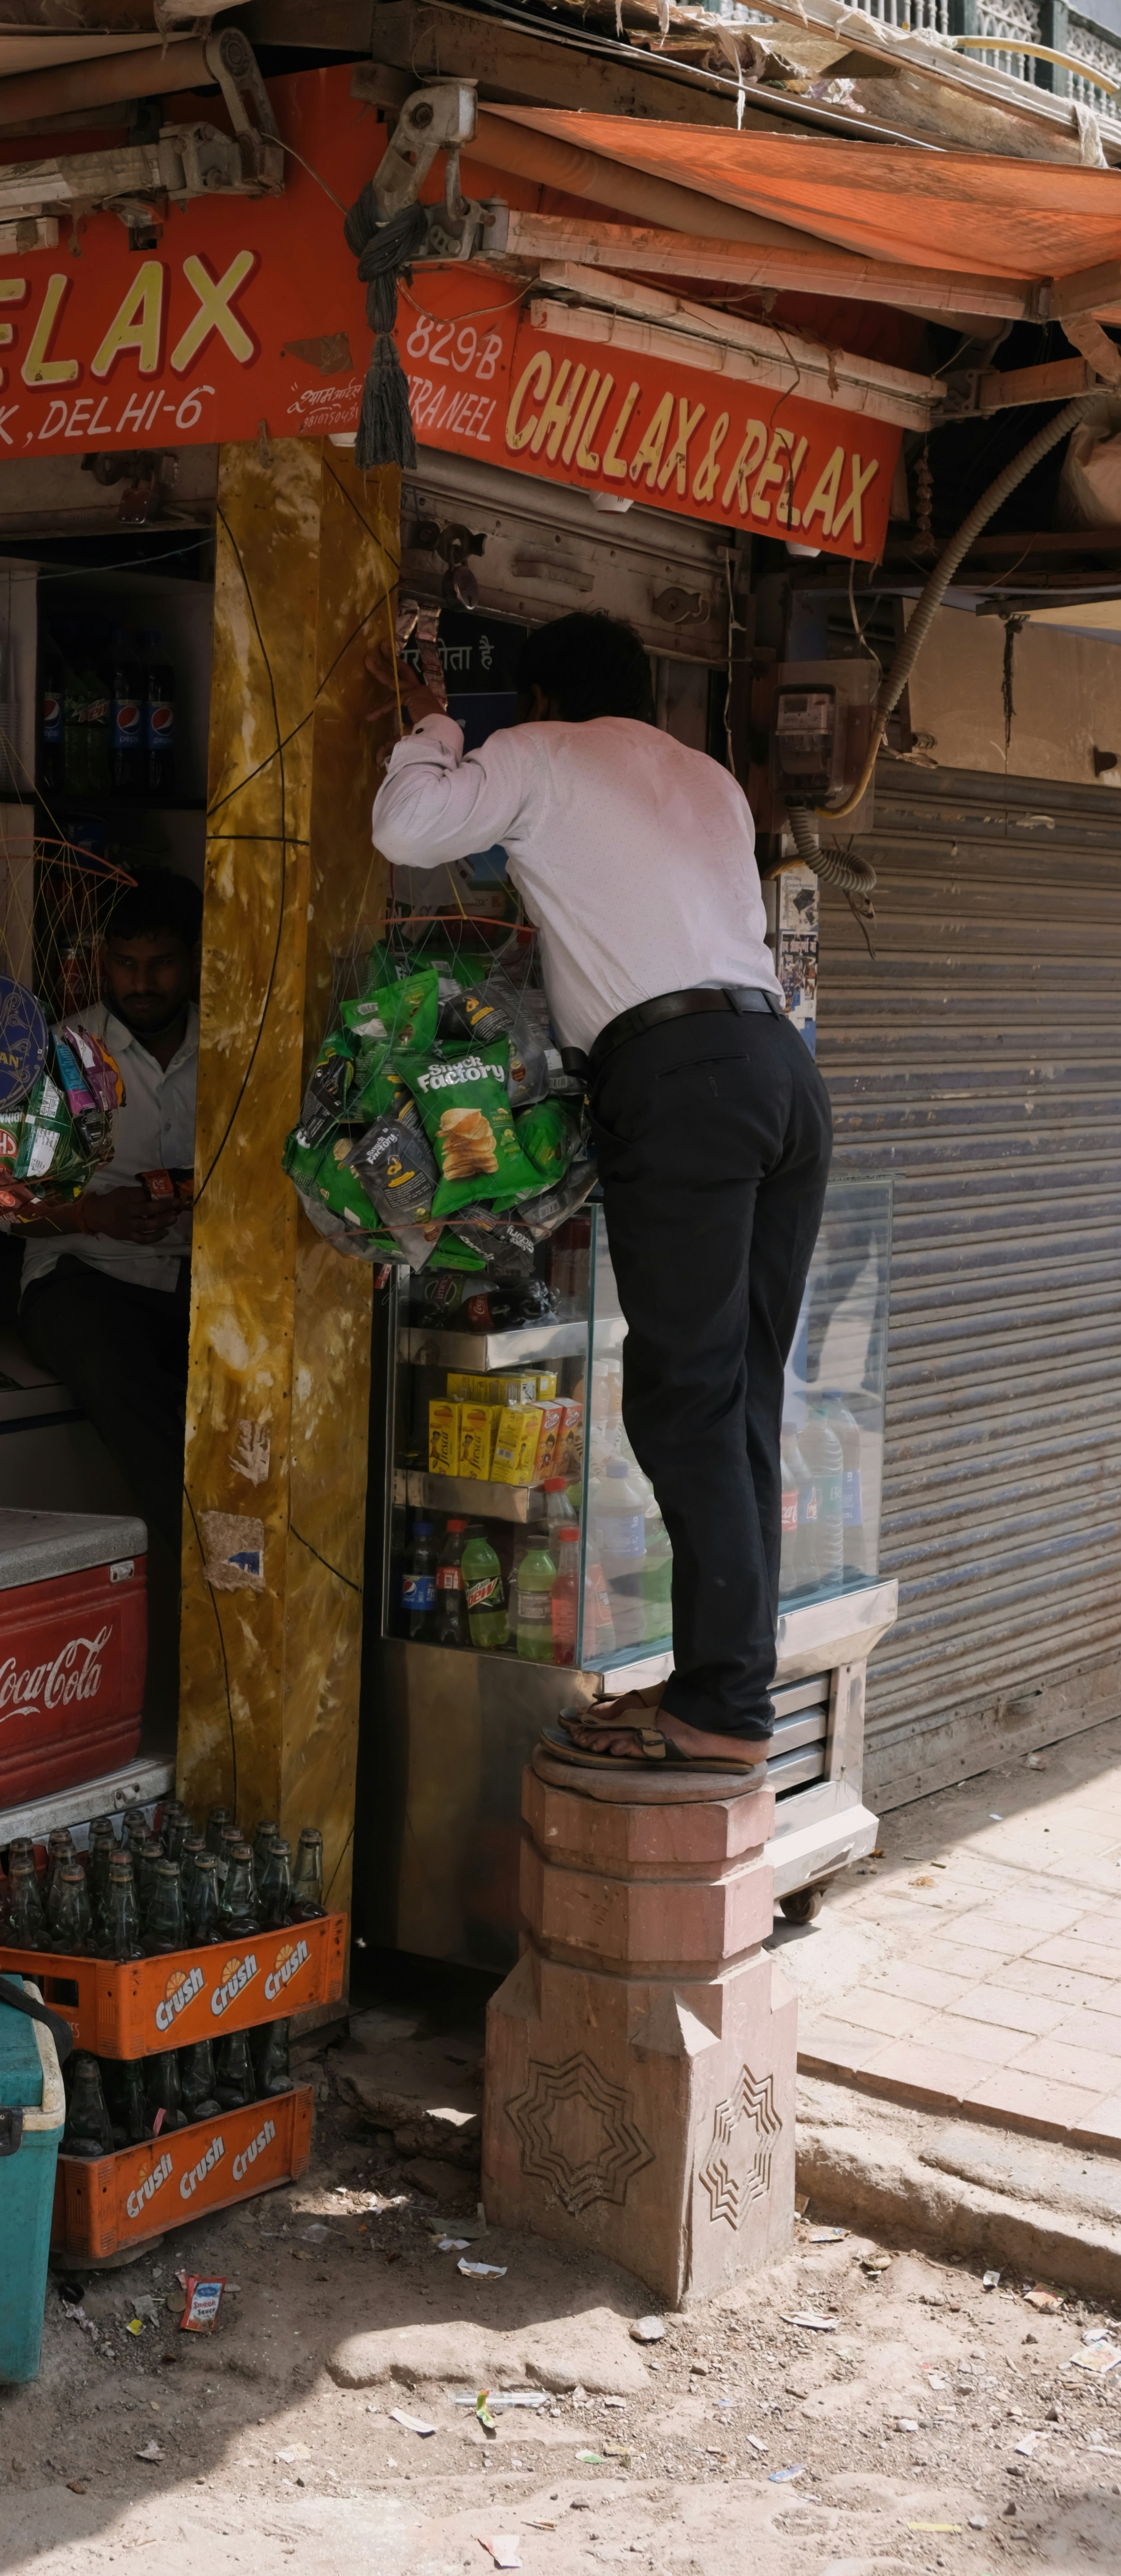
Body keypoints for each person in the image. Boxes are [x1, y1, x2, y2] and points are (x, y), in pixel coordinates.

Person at [370, 609, 833, 1774]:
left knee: (682, 1405)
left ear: (535, 702)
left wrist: (430, 722)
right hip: (782, 1074)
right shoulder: (707, 778)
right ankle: (724, 1690)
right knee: (739, 1403)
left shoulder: (540, 754)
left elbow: (405, 824)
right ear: (641, 699)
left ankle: (721, 1712)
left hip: (685, 1089)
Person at [17, 868, 202, 1746]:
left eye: (161, 963)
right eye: (125, 963)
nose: (142, 982)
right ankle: (205, 1564)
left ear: (193, 963)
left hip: (197, 1277)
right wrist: (96, 1211)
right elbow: (7, 1193)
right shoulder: (70, 1053)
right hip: (84, 1275)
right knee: (121, 1381)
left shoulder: (238, 1044)